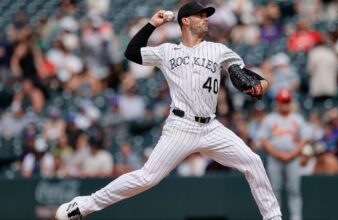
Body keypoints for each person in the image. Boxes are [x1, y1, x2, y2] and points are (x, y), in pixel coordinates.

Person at [55, 2, 282, 220]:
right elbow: (132, 52)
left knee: (253, 161)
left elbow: (248, 77)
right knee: (146, 178)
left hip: (211, 127)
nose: (206, 20)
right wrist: (152, 24)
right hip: (181, 126)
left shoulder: (218, 50)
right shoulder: (167, 51)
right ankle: (83, 205)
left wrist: (261, 84)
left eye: (206, 16)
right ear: (186, 21)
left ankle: (273, 218)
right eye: (200, 16)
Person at [257, 89, 307, 220]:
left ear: (290, 102)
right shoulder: (270, 119)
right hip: (275, 158)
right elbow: (264, 140)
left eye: (287, 101)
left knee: (294, 190)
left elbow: (304, 140)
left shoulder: (297, 118)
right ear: (277, 102)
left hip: (293, 158)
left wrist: (291, 154)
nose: (284, 104)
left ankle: (296, 217)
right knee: (274, 190)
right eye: (282, 101)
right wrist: (278, 154)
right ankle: (275, 217)